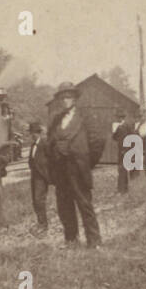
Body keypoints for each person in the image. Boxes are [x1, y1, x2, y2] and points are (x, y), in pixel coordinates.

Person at [46, 81, 105, 248]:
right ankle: (71, 240)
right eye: (62, 97)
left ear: (75, 99)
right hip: (60, 170)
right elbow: (49, 142)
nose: (65, 100)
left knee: (85, 205)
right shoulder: (55, 119)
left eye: (68, 97)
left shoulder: (85, 117)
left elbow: (98, 141)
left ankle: (94, 242)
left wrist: (86, 162)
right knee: (64, 206)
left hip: (78, 169)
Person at [26, 122, 51, 233]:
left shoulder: (45, 144)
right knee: (34, 200)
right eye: (32, 133)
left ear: (39, 133)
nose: (33, 135)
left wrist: (47, 173)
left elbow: (51, 158)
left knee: (39, 199)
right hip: (34, 176)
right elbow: (31, 160)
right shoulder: (33, 145)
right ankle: (40, 222)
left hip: (42, 176)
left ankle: (43, 224)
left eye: (35, 133)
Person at [111, 111, 132, 194]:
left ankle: (121, 190)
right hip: (124, 150)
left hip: (124, 151)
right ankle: (124, 189)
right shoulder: (124, 126)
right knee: (123, 170)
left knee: (121, 170)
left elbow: (114, 137)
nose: (117, 119)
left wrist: (126, 149)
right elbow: (115, 137)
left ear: (121, 118)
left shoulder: (124, 127)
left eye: (118, 117)